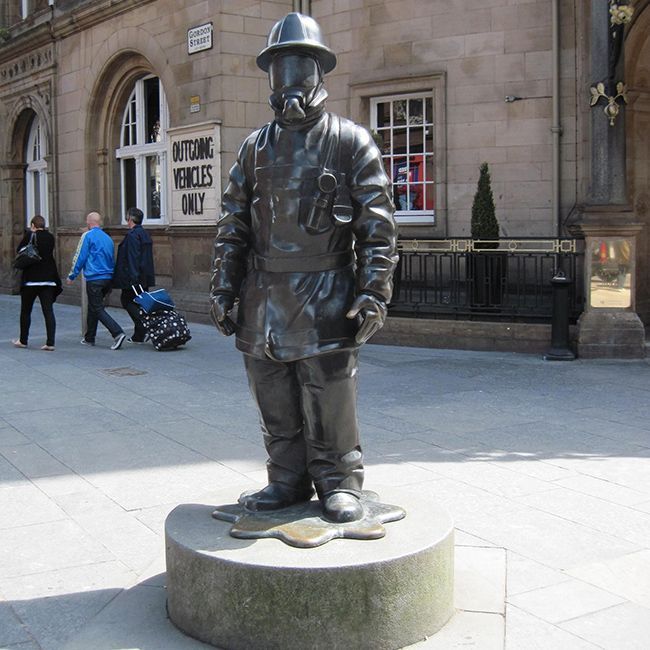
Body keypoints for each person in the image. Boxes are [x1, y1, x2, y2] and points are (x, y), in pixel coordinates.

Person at [210, 13, 398, 524]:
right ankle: (286, 478)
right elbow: (233, 225)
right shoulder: (254, 149)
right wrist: (224, 288)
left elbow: (376, 226)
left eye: (299, 68)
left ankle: (340, 479)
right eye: (278, 69)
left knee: (329, 394)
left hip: (327, 290)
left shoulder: (350, 141)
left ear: (319, 73)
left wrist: (373, 291)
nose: (289, 82)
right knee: (273, 397)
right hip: (264, 295)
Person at [66, 211, 126, 350]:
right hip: (107, 278)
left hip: (94, 278)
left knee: (97, 308)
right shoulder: (108, 238)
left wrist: (72, 275)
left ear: (89, 222)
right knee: (94, 307)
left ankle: (117, 333)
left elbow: (80, 257)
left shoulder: (87, 236)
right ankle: (89, 338)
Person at [12, 215, 62, 351]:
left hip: (31, 280)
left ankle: (23, 340)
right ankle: (50, 343)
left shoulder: (30, 236)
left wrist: (31, 235)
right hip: (48, 280)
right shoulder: (50, 237)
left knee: (25, 311)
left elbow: (20, 251)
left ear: (33, 225)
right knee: (48, 311)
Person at [112, 207, 155, 343]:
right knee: (141, 304)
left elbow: (132, 257)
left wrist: (133, 278)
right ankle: (139, 335)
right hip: (144, 276)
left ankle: (145, 326)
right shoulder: (144, 234)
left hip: (134, 277)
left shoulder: (132, 235)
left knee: (127, 301)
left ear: (130, 219)